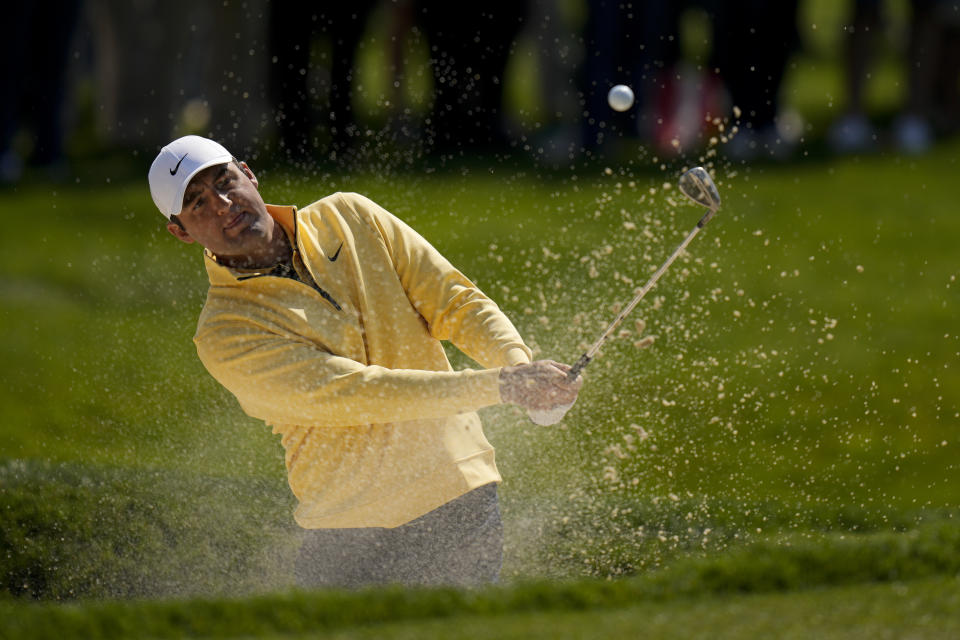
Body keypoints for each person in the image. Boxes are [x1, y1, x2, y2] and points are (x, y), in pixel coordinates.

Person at [147, 135, 581, 588]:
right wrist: (504, 385)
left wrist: (525, 371)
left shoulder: (349, 215)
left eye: (225, 181)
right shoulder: (224, 332)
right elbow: (358, 393)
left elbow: (454, 301)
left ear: (249, 173)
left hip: (459, 496)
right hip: (348, 535)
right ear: (180, 231)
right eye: (197, 203)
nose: (222, 204)